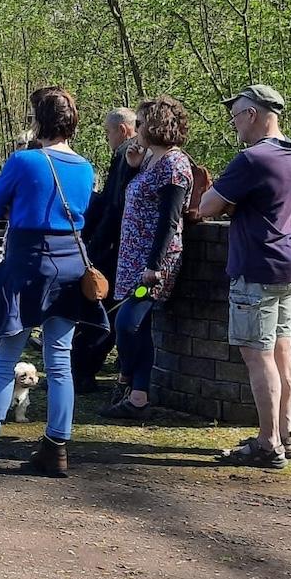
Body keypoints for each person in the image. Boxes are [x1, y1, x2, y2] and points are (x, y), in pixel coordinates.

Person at [0, 86, 106, 477]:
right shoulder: (86, 168)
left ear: (39, 123)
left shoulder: (23, 161)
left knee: (4, 356)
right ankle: (56, 448)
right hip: (70, 263)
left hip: (27, 261)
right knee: (60, 359)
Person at [199, 84, 291, 469]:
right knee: (283, 350)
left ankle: (267, 443)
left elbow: (207, 206)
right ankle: (284, 433)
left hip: (257, 268)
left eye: (236, 117)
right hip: (290, 264)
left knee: (258, 356)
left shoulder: (252, 159)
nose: (234, 125)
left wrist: (223, 198)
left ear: (252, 114)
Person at [100, 97, 194, 420]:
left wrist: (154, 266)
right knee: (137, 328)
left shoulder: (175, 165)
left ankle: (128, 379)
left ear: (154, 125)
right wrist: (133, 164)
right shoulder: (149, 160)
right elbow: (129, 198)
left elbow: (169, 220)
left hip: (153, 265)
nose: (136, 129)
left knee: (126, 323)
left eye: (140, 123)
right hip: (131, 259)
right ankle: (138, 397)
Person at [71, 107, 140, 392]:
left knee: (100, 308)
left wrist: (96, 242)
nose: (107, 138)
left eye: (108, 132)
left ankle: (82, 371)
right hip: (116, 243)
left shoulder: (125, 155)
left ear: (122, 130)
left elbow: (115, 204)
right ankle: (82, 370)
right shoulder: (133, 155)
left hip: (112, 246)